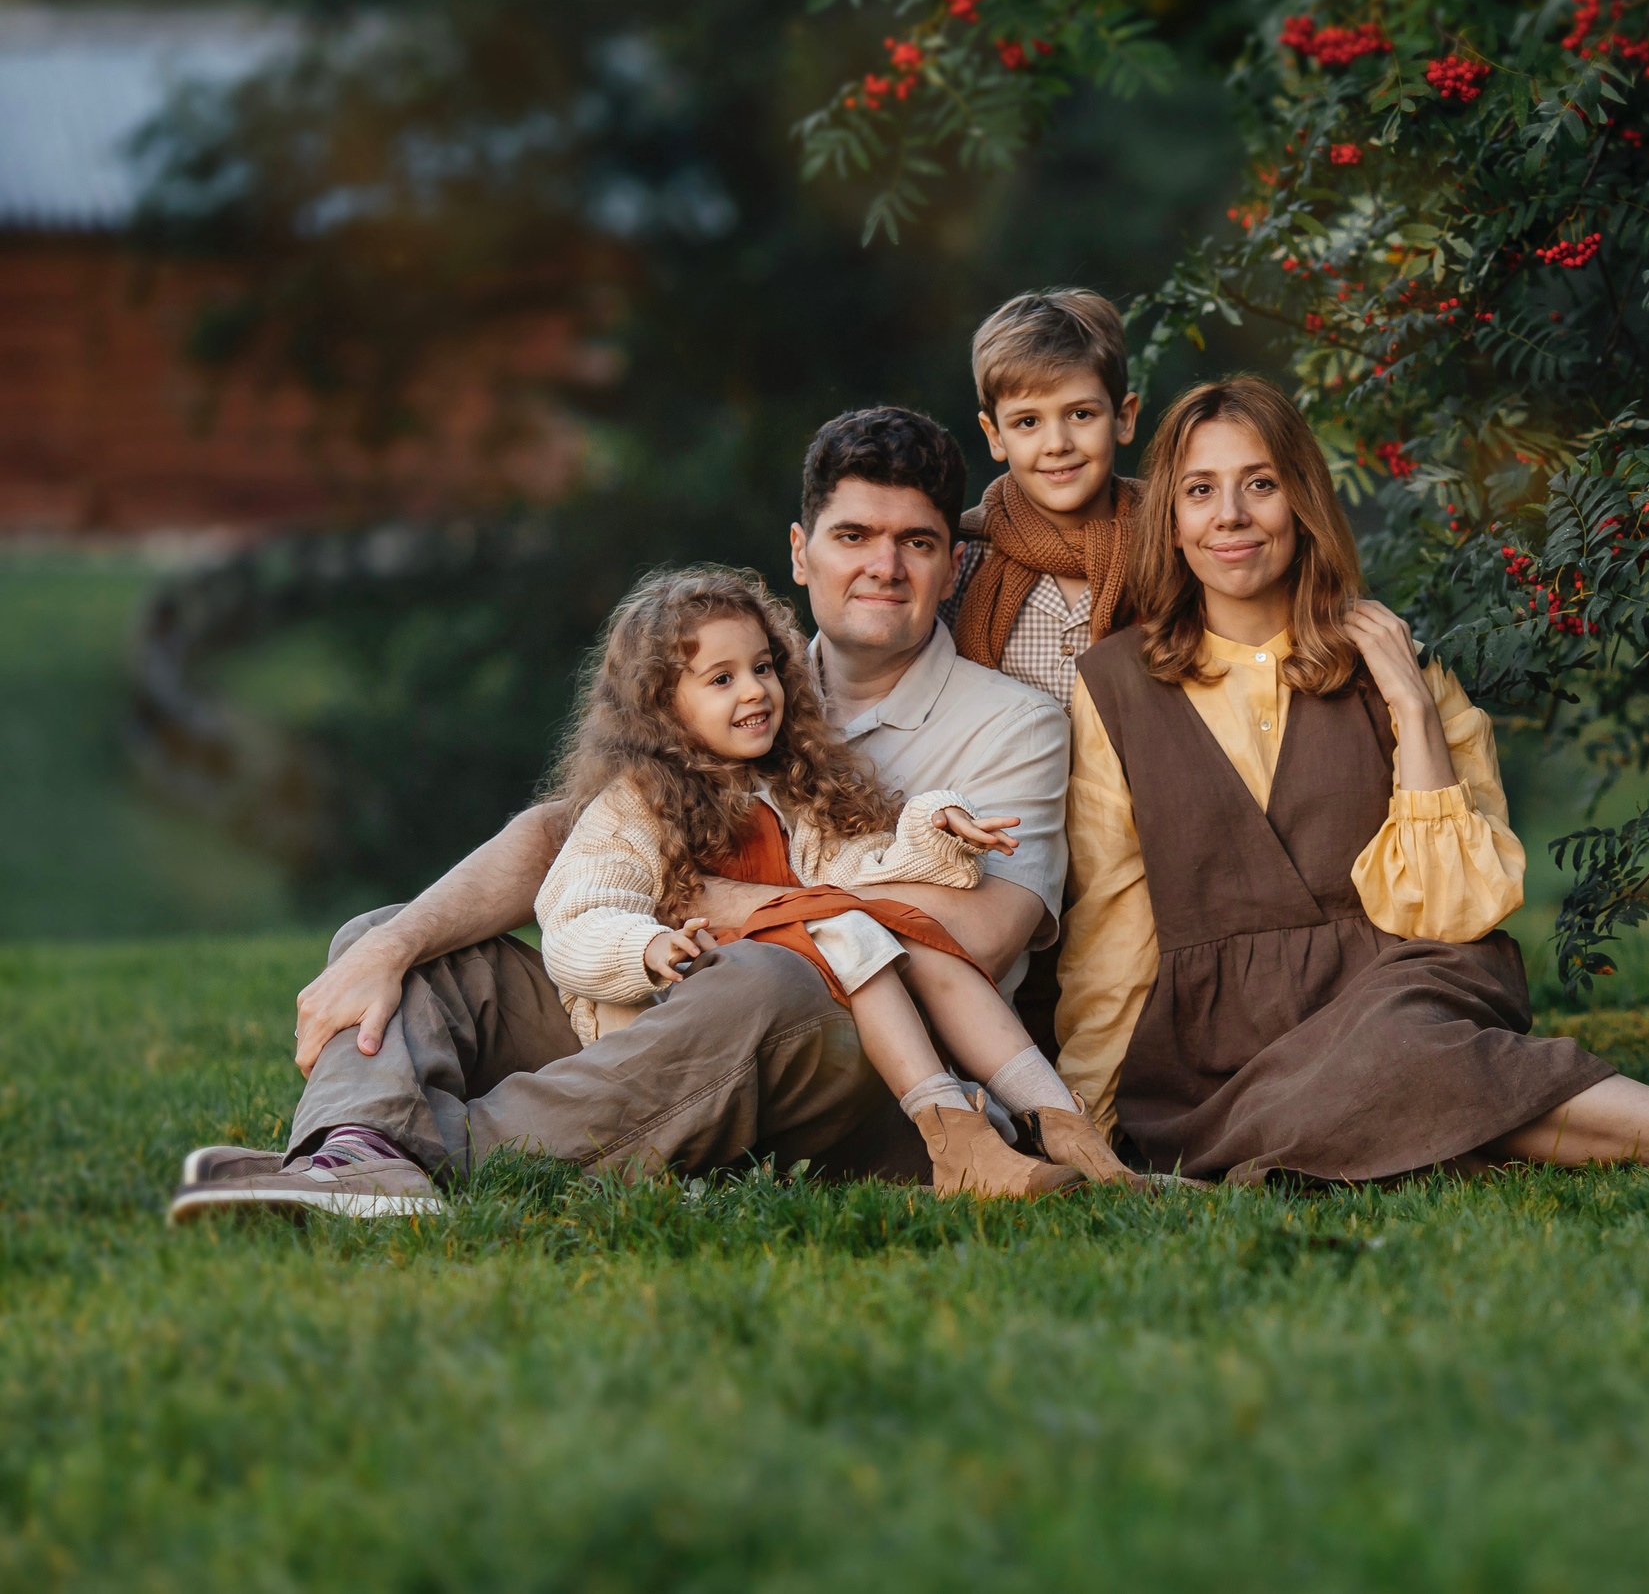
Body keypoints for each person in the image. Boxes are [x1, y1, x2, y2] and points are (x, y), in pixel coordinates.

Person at [168, 408, 1074, 1222]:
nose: (882, 565)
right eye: (854, 535)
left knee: (764, 979)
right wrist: (391, 949)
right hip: (661, 1004)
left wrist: (726, 903)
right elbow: (567, 839)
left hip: (860, 1055)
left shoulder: (1012, 722)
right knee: (400, 940)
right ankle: (356, 1155)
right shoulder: (731, 676)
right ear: (802, 553)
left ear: (951, 566)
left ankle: (405, 1150)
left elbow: (986, 934)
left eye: (915, 542)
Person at [1054, 375, 1649, 1182]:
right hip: (1226, 1047)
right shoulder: (1117, 686)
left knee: (1399, 1046)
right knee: (1391, 1072)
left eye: (1261, 483)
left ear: (1303, 502)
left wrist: (1409, 704)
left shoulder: (1398, 659)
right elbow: (1112, 928)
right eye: (1201, 490)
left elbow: (1457, 911)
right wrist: (1079, 1117)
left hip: (1405, 980)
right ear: (1169, 518)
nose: (1231, 516)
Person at [533, 563, 1128, 1195]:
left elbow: (859, 873)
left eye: (763, 668)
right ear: (660, 704)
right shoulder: (635, 806)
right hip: (679, 1017)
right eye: (722, 679)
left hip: (795, 1002)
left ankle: (1071, 1134)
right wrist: (644, 946)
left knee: (915, 932)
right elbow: (575, 915)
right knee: (844, 929)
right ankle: (955, 1136)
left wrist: (934, 830)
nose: (756, 691)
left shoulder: (790, 790)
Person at [947, 288, 1143, 710]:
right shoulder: (961, 557)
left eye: (1080, 414)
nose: (1056, 444)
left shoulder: (1172, 548)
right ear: (995, 435)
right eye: (1028, 421)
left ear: (1123, 418)